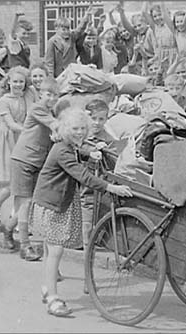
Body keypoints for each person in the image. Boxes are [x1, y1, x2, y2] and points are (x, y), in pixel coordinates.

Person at [30, 108, 132, 317]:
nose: (79, 132)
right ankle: (52, 298)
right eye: (75, 128)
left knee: (51, 249)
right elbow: (82, 175)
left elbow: (79, 153)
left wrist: (90, 152)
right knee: (55, 250)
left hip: (58, 200)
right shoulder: (62, 150)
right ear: (65, 129)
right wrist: (110, 187)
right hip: (52, 203)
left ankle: (47, 287)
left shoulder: (69, 146)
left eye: (82, 129)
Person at [2, 77, 60, 262]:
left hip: (37, 161)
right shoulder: (38, 109)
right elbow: (55, 126)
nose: (51, 98)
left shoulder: (51, 111)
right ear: (41, 94)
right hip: (23, 159)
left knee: (30, 203)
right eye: (48, 94)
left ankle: (8, 229)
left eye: (55, 95)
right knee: (25, 203)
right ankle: (25, 246)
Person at [0, 66, 36, 231]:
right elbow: (10, 123)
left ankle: (15, 217)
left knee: (21, 183)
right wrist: (29, 131)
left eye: (21, 82)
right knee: (13, 183)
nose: (18, 85)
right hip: (9, 139)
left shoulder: (29, 94)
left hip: (24, 138)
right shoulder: (4, 100)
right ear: (8, 82)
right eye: (15, 81)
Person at [79, 99, 115, 294]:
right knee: (69, 233)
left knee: (89, 236)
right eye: (94, 118)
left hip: (96, 194)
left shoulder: (107, 137)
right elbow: (76, 150)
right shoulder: (80, 134)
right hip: (79, 192)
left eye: (102, 118)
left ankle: (88, 278)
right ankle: (54, 266)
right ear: (87, 116)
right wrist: (92, 150)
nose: (97, 122)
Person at [44, 8, 91, 78]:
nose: (66, 31)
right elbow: (49, 62)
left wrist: (86, 16)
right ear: (56, 29)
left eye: (68, 29)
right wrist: (51, 78)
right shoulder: (52, 42)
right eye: (63, 29)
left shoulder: (71, 37)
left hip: (72, 72)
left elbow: (79, 29)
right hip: (59, 74)